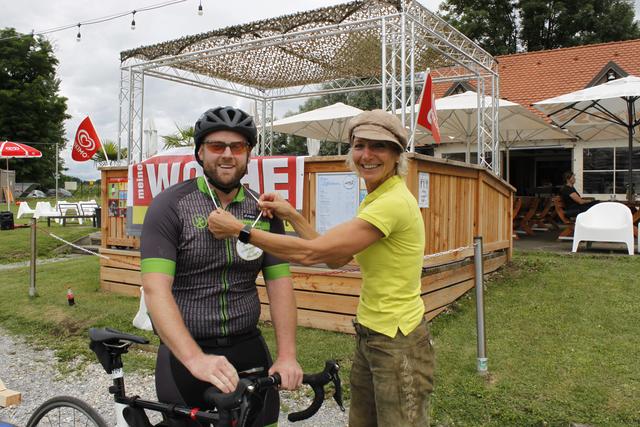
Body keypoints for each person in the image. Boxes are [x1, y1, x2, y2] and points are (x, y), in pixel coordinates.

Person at [208, 109, 435, 427]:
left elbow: (313, 254)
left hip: (398, 342)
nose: (366, 155)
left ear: (398, 154)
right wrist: (292, 215)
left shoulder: (392, 203)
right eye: (359, 145)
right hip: (372, 336)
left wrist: (240, 230)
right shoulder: (376, 197)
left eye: (378, 146)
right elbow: (336, 258)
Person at [140, 106, 302, 427]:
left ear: (249, 155)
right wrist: (194, 359)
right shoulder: (170, 206)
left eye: (237, 147)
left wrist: (287, 355)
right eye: (217, 146)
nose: (227, 155)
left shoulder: (264, 212)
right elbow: (155, 290)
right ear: (200, 153)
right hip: (187, 352)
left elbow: (280, 285)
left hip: (248, 346)